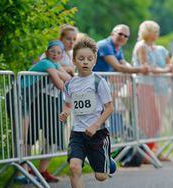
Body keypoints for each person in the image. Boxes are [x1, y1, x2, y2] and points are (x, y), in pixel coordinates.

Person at [59, 36, 116, 188]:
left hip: (98, 133)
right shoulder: (70, 84)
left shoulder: (98, 82)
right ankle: (94, 157)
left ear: (94, 61)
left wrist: (95, 125)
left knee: (101, 176)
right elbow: (68, 104)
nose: (85, 62)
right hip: (78, 133)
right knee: (74, 168)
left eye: (89, 59)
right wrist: (65, 112)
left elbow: (110, 107)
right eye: (81, 58)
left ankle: (106, 161)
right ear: (74, 60)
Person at [16, 40, 71, 184]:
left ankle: (38, 171)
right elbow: (61, 83)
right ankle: (24, 170)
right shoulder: (47, 62)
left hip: (34, 100)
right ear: (46, 52)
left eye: (58, 52)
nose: (55, 54)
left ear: (62, 54)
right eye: (52, 51)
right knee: (26, 136)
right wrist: (63, 73)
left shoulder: (57, 63)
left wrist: (62, 72)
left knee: (52, 136)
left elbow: (69, 79)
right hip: (28, 98)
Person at [132, 20, 173, 162]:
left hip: (152, 87)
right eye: (155, 31)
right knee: (148, 122)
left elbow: (168, 65)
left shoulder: (157, 48)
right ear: (148, 32)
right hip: (143, 85)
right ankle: (146, 153)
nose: (157, 34)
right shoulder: (141, 46)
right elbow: (146, 67)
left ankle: (151, 151)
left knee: (155, 122)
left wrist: (168, 70)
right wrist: (165, 70)